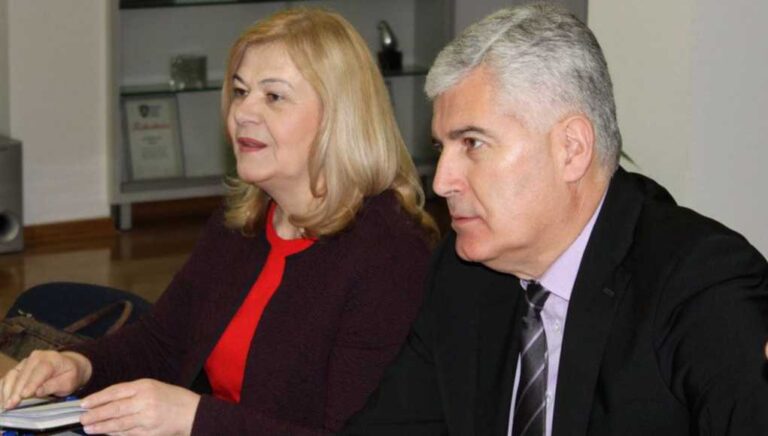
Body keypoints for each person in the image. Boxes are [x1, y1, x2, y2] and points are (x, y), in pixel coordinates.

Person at [0, 8, 438, 435]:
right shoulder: (245, 221)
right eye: (241, 91)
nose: (243, 112)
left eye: (274, 96)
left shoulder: (390, 253)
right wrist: (79, 366)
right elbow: (163, 341)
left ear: (339, 116)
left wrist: (193, 418)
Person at [343, 4, 768, 435]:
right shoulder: (463, 276)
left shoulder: (699, 282)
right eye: (441, 148)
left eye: (472, 142)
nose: (442, 182)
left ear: (571, 149)